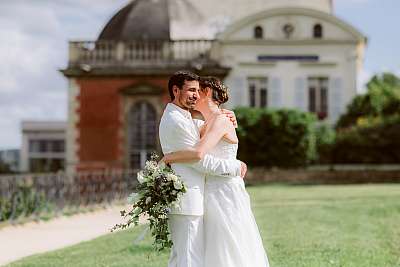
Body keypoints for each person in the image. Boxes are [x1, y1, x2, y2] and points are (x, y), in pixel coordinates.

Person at [161, 76, 270, 267]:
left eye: (197, 91)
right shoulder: (203, 123)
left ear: (207, 92)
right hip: (208, 193)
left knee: (229, 245)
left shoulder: (219, 120)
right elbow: (196, 145)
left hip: (224, 192)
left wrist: (169, 157)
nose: (194, 96)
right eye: (191, 91)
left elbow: (198, 153)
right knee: (211, 249)